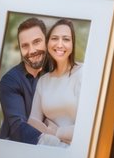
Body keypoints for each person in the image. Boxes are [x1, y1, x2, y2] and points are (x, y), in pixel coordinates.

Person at [26, 19, 83, 147]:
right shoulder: (44, 81)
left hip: (77, 149)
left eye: (66, 39)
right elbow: (33, 121)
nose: (60, 44)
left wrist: (56, 132)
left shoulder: (83, 74)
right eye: (55, 38)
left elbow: (88, 126)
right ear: (47, 43)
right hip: (47, 145)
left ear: (73, 44)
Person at [0, 17, 48, 143]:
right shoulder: (10, 81)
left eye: (36, 42)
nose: (32, 51)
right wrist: (54, 144)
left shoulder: (56, 73)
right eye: (25, 46)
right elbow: (18, 128)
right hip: (12, 148)